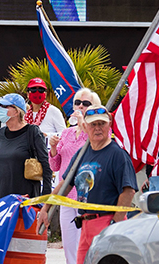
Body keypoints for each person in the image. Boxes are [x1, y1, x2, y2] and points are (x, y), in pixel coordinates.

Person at [37, 105, 137, 264]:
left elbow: (128, 191)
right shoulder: (83, 153)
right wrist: (45, 208)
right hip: (85, 224)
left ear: (109, 125)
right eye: (93, 124)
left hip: (107, 223)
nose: (98, 128)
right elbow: (65, 184)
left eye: (101, 124)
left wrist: (114, 224)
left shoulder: (117, 154)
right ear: (86, 126)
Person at [48, 88, 100, 264]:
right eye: (77, 103)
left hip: (88, 194)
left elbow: (97, 147)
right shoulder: (67, 133)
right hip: (66, 194)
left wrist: (84, 123)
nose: (80, 106)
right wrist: (53, 148)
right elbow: (55, 166)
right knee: (69, 244)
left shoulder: (97, 131)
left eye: (86, 104)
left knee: (87, 243)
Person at [0, 93, 52, 198]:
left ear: (16, 111)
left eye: (5, 107)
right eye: (0, 106)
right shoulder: (0, 134)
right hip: (2, 196)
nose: (1, 110)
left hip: (25, 196)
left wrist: (46, 196)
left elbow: (46, 164)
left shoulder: (32, 132)